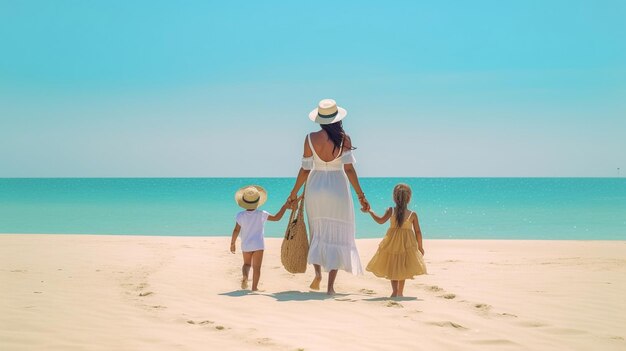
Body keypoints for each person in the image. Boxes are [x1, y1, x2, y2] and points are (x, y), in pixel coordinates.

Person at [288, 98, 370, 295]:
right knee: (336, 233)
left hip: (315, 186)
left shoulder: (309, 138)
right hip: (337, 187)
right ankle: (330, 287)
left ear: (320, 120)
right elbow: (349, 170)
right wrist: (361, 196)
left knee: (318, 231)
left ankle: (317, 274)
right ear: (338, 119)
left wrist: (293, 193)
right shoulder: (344, 139)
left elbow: (305, 169)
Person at [365, 183, 427, 297]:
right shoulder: (412, 214)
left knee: (393, 265)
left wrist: (370, 211)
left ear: (394, 197)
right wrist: (420, 246)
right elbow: (418, 232)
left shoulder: (391, 210)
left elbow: (380, 221)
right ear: (409, 198)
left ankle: (394, 291)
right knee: (402, 267)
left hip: (392, 242)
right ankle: (400, 292)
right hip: (406, 244)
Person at [230, 185, 290, 291]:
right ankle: (254, 288)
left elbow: (236, 230)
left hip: (246, 244)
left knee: (246, 264)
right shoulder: (262, 214)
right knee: (257, 268)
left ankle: (245, 277)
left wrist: (232, 243)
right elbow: (277, 218)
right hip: (258, 244)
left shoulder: (240, 215)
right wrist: (285, 206)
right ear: (257, 202)